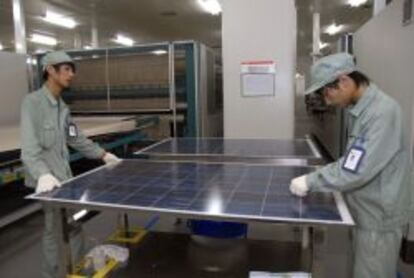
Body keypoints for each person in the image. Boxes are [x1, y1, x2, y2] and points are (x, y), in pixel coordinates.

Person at [289, 53, 412, 278]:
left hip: (378, 217)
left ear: (344, 81)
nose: (326, 99)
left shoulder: (381, 113)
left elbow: (356, 169)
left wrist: (311, 180)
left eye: (327, 91)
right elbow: (354, 159)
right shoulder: (362, 109)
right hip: (366, 210)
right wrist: (325, 173)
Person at [20, 51, 121, 278]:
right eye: (66, 69)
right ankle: (53, 273)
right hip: (48, 183)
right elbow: (29, 149)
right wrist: (42, 175)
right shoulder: (32, 103)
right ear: (50, 70)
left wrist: (102, 154)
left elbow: (75, 138)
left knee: (71, 224)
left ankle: (73, 267)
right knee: (55, 229)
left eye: (72, 70)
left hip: (65, 179)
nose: (71, 74)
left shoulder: (62, 107)